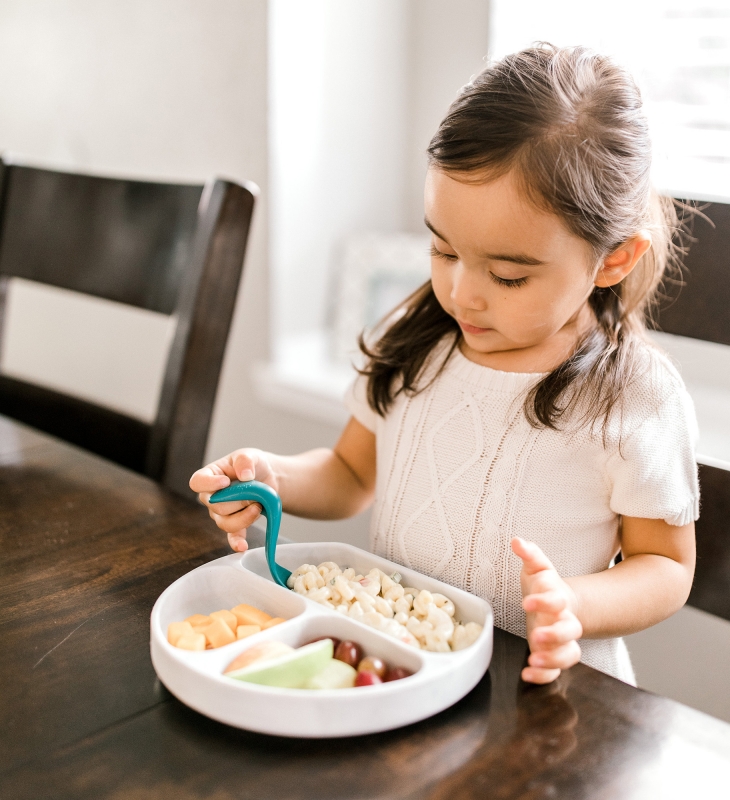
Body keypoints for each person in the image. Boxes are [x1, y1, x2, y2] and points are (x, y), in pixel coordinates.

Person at [190, 43, 699, 686]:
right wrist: (272, 478)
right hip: (403, 671)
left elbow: (666, 566)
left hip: (540, 694)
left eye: (509, 276)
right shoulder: (422, 340)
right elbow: (350, 472)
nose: (460, 292)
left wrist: (574, 606)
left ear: (613, 259)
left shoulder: (632, 396)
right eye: (442, 248)